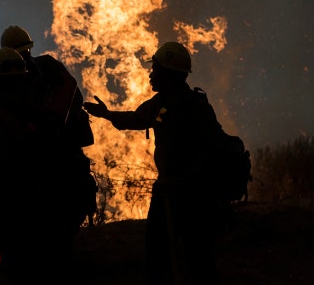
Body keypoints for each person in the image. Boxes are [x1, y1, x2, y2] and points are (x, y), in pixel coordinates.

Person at [83, 42, 228, 285]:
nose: (151, 73)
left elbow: (210, 151)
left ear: (170, 74)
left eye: (156, 69)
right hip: (169, 191)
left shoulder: (194, 107)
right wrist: (107, 114)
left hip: (192, 195)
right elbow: (136, 118)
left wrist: (184, 182)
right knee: (162, 253)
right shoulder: (162, 103)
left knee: (195, 257)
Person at [0, 47, 92, 284]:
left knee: (20, 269)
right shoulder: (42, 108)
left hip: (18, 208)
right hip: (48, 206)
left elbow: (0, 164)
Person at [0, 26, 97, 241]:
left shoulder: (20, 83)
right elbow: (76, 98)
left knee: (51, 227)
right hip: (65, 157)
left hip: (51, 163)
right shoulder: (50, 68)